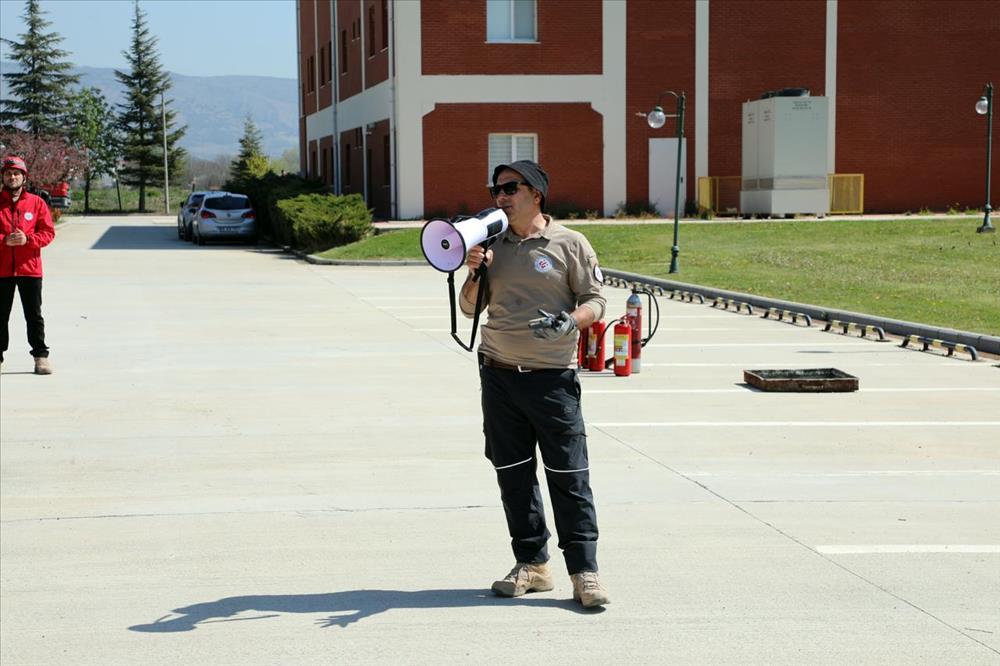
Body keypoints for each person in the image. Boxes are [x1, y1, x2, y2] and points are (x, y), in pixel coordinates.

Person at [459, 160, 610, 608]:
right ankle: (533, 564)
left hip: (551, 380)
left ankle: (584, 572)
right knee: (513, 475)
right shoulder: (491, 246)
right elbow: (469, 308)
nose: (500, 197)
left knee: (568, 475)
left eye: (510, 188)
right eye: (496, 190)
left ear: (536, 194)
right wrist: (474, 272)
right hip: (499, 375)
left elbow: (596, 299)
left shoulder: (569, 243)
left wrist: (570, 321)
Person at [0, 155, 55, 375]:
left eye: (16, 173)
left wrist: (28, 240)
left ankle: (40, 356)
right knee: (0, 316)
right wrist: (4, 240)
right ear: (3, 177)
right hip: (2, 269)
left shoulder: (36, 202)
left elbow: (48, 232)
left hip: (30, 269)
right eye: (8, 174)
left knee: (33, 315)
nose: (12, 177)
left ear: (24, 177)